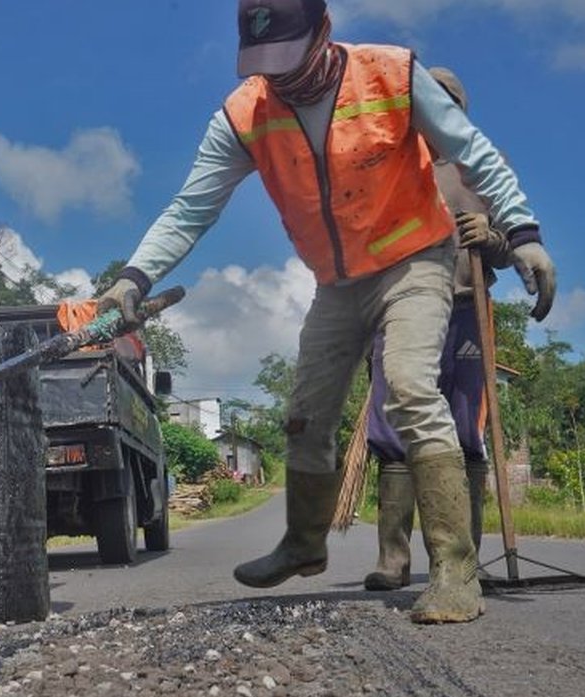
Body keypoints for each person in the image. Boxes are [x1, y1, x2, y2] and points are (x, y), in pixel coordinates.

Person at [98, 0, 555, 624]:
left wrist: (524, 234)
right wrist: (133, 277)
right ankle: (304, 543)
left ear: (324, 33)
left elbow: (474, 151)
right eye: (265, 65)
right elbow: (190, 209)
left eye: (290, 59)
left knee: (411, 389)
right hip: (338, 282)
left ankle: (453, 568)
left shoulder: (390, 74)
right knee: (304, 414)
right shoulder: (244, 115)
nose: (280, 78)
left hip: (416, 259)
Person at [362, 67, 519, 591]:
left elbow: (515, 241)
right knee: (394, 430)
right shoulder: (388, 169)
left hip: (466, 305)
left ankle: (462, 558)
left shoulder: (484, 169)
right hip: (400, 309)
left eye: (446, 100)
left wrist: (492, 239)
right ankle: (394, 559)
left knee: (464, 428)